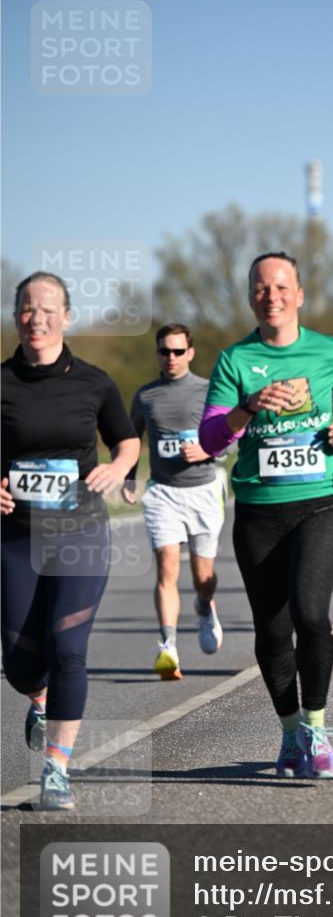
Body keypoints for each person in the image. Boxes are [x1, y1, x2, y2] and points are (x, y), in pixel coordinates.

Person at [199, 252, 333, 779]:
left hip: (320, 502)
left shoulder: (329, 350)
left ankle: (317, 729)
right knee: (272, 629)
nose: (270, 296)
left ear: (299, 294)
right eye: (260, 287)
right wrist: (247, 407)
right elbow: (209, 440)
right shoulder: (234, 360)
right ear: (250, 295)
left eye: (280, 287)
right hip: (258, 512)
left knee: (311, 615)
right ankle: (291, 732)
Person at [1, 272, 139, 810]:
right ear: (16, 316)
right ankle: (36, 698)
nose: (38, 319)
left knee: (69, 650)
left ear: (67, 315)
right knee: (18, 663)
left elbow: (126, 441)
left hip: (80, 531)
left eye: (49, 309)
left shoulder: (94, 382)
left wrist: (117, 467)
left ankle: (56, 769)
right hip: (15, 537)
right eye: (28, 309)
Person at [122, 324, 224, 681]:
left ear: (191, 353)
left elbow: (229, 436)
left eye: (178, 351)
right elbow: (131, 439)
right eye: (165, 351)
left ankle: (204, 605)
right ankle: (168, 647)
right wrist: (129, 476)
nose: (171, 358)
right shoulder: (146, 396)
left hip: (203, 492)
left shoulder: (209, 391)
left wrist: (208, 449)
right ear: (158, 354)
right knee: (167, 569)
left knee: (202, 577)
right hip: (163, 492)